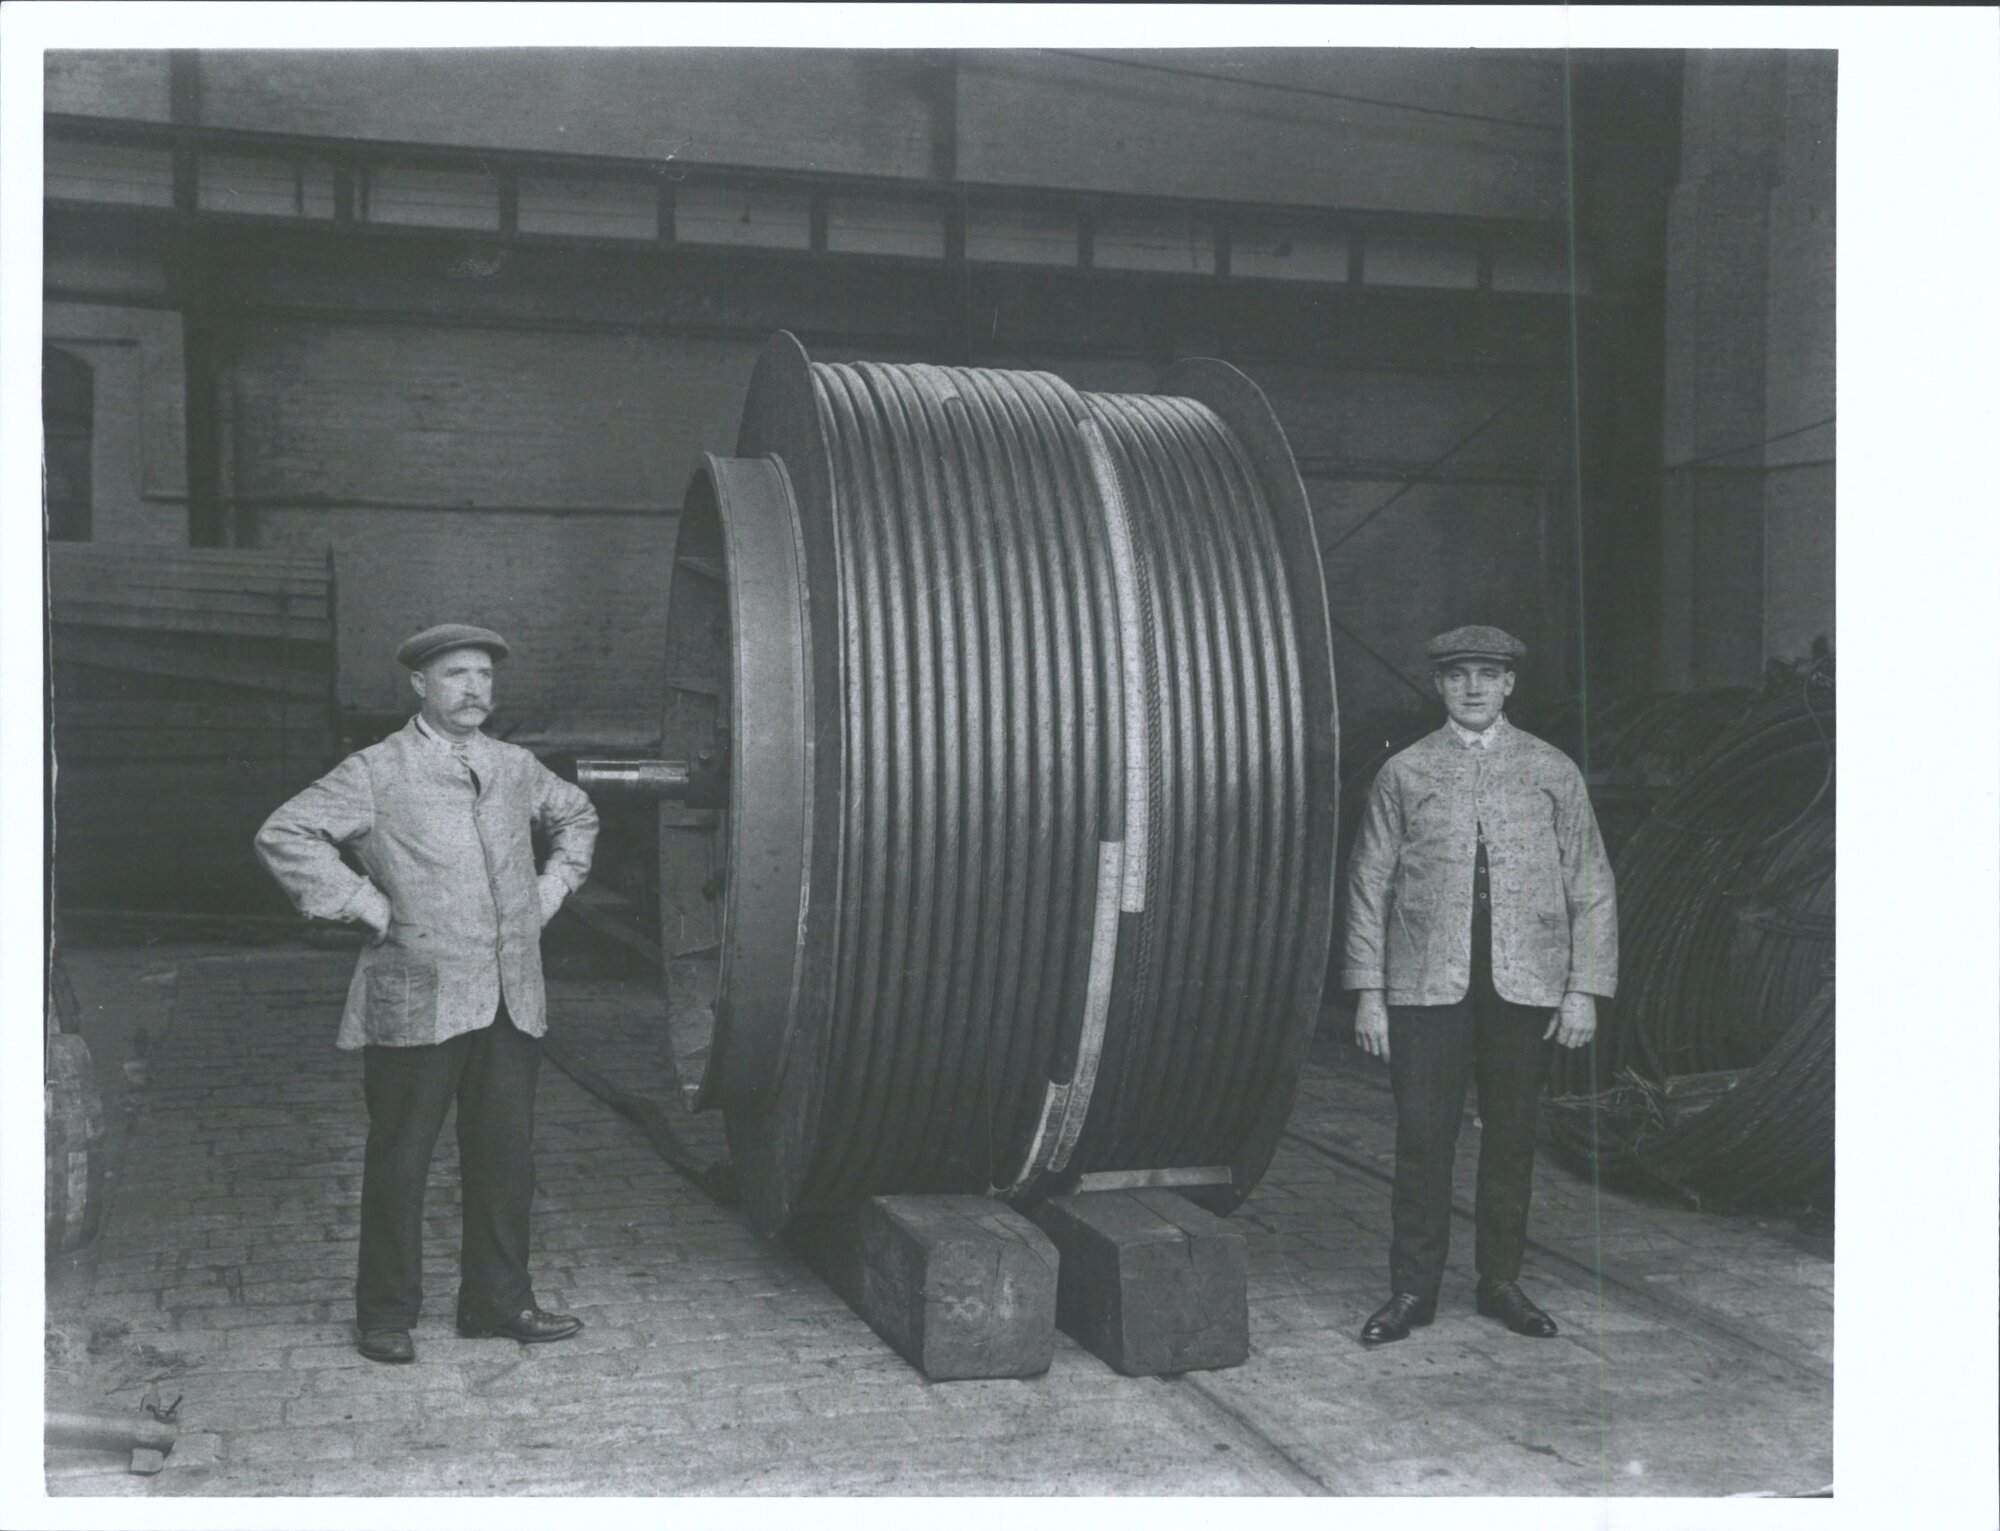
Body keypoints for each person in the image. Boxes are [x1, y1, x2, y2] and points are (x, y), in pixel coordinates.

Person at [255, 623, 599, 1364]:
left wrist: (549, 890)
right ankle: (385, 1314)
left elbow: (577, 814)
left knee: (506, 1156)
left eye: (484, 675)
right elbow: (287, 833)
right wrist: (365, 904)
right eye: (455, 675)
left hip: (509, 995)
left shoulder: (513, 765)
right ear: (419, 685)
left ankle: (497, 1301)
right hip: (419, 993)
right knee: (402, 1156)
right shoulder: (377, 769)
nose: (474, 689)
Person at [1341, 625, 1617, 1345]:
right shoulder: (1405, 772)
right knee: (1422, 1141)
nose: (1473, 688)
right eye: (1458, 674)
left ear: (1508, 684)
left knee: (1512, 1139)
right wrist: (1369, 991)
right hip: (1425, 987)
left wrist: (1583, 988)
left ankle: (1501, 1282)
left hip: (1526, 987)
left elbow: (1591, 881)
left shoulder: (1552, 769)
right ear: (1438, 684)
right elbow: (1369, 884)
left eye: (1487, 675)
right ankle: (1412, 1290)